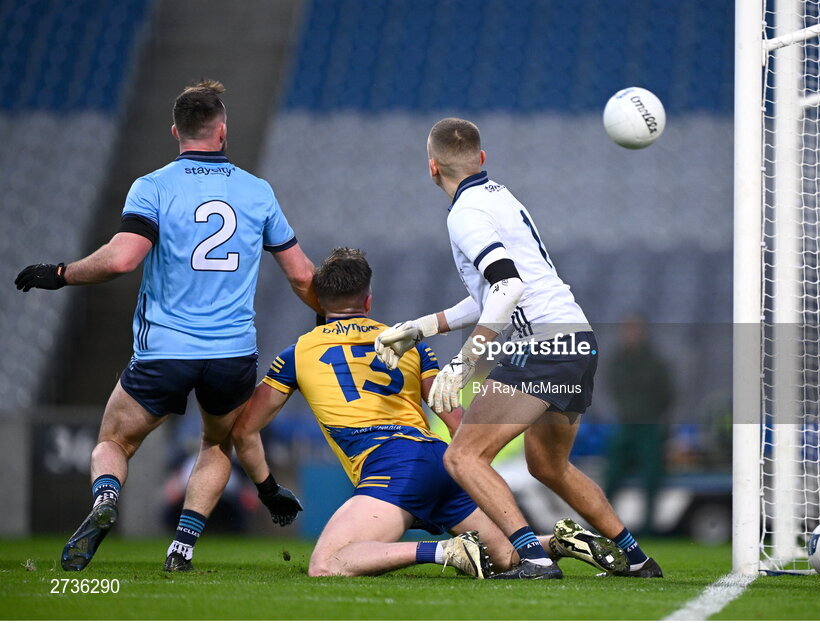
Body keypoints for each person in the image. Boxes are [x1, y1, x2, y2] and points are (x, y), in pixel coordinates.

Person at [14, 80, 321, 572]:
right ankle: (181, 549)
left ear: (176, 130)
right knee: (216, 442)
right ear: (222, 131)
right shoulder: (256, 191)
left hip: (165, 350)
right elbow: (304, 275)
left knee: (114, 442)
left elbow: (121, 260)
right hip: (230, 353)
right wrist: (325, 322)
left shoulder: (153, 186)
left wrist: (60, 274)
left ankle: (106, 500)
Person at [375, 118, 660, 579]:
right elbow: (496, 290)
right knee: (548, 464)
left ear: (431, 168)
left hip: (543, 344)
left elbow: (507, 286)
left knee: (461, 456)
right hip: (577, 339)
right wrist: (423, 327)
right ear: (481, 159)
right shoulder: (499, 196)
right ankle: (635, 557)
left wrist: (465, 362)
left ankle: (534, 556)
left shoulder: (464, 215)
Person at [232, 248, 615, 577]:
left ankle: (447, 552)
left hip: (389, 465)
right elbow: (454, 420)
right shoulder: (409, 343)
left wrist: (268, 489)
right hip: (438, 459)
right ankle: (564, 540)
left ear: (318, 299)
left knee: (328, 562)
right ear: (368, 301)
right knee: (507, 556)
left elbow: (245, 431)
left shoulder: (297, 354)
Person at [604, 314, 675, 535]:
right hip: (626, 424)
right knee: (612, 473)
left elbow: (668, 393)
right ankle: (605, 523)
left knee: (651, 475)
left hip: (648, 424)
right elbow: (612, 389)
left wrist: (654, 416)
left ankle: (649, 525)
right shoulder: (617, 361)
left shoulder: (655, 361)